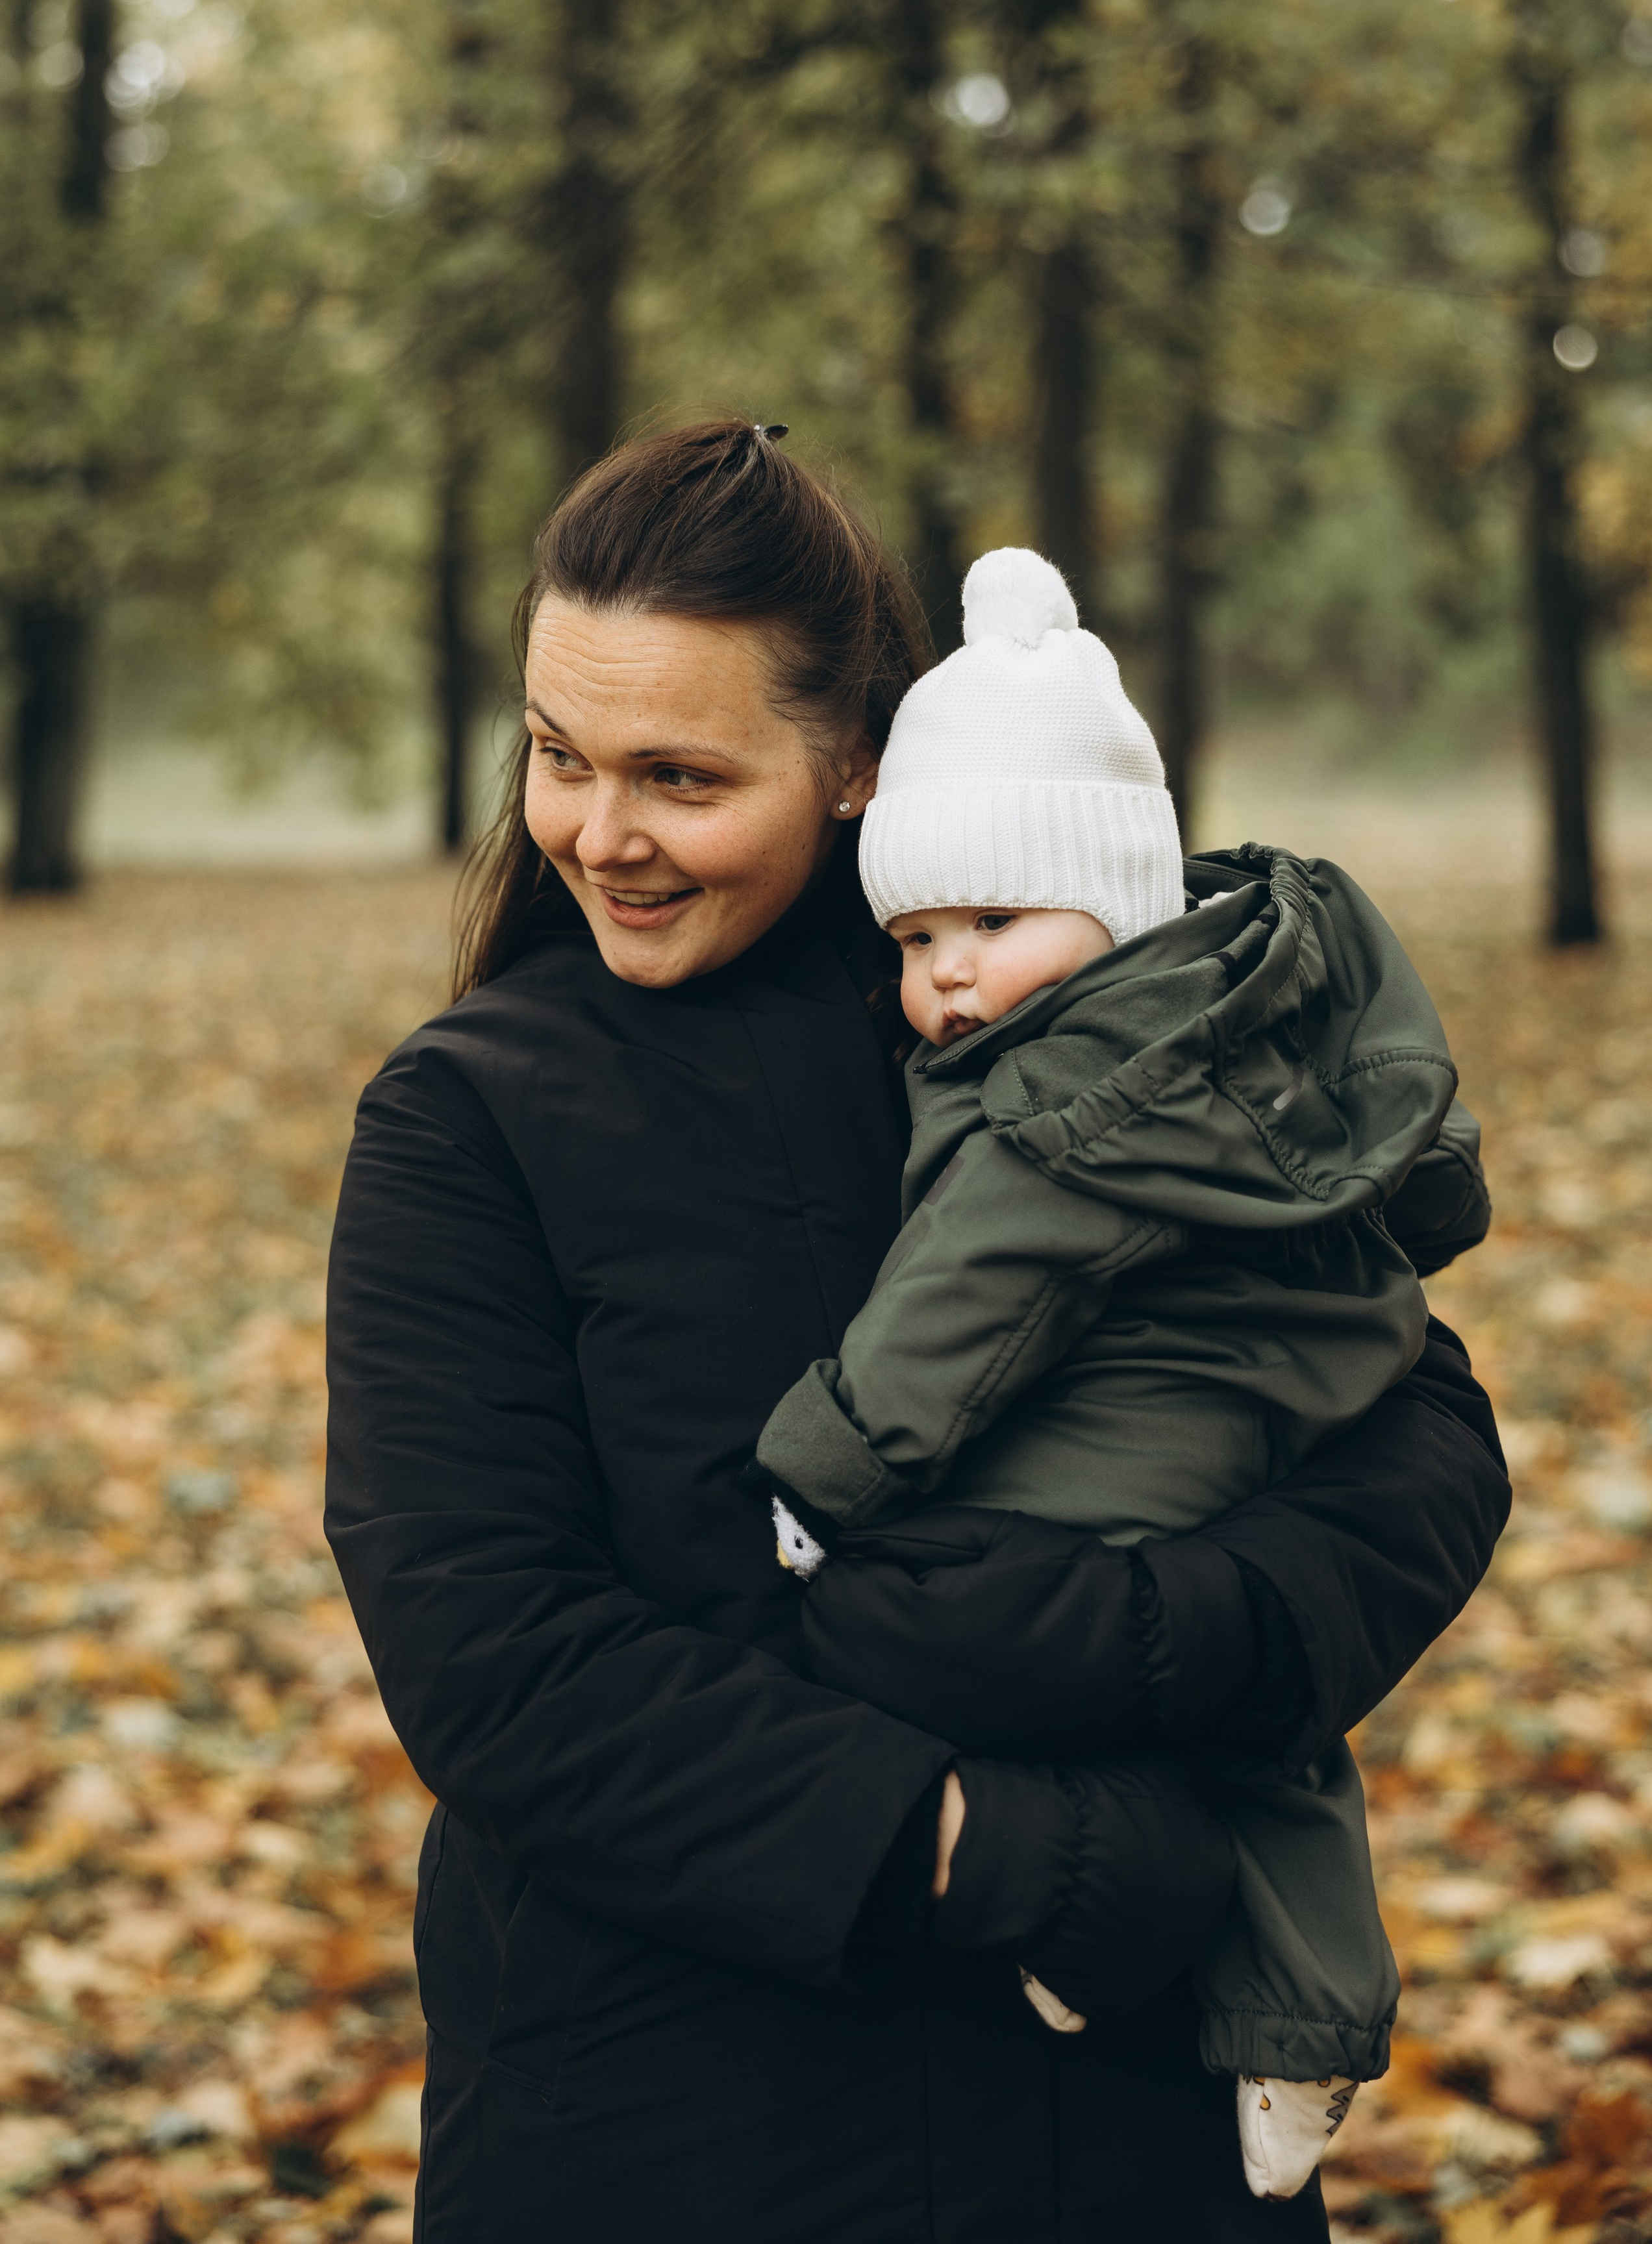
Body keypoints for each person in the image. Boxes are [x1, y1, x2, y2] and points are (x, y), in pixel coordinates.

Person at [324, 419, 1512, 2242]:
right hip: (672, 2131)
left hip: (1120, 2134)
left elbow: (1406, 1423)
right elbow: (496, 1656)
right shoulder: (477, 1116)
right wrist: (988, 1849)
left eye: (681, 778)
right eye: (559, 757)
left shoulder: (1063, 1029)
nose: (600, 833)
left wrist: (1170, 1639)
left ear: (859, 767)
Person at [749, 544, 1493, 2202]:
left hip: (1185, 1390)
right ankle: (1248, 1985)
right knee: (1247, 1695)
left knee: (1053, 1610)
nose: (944, 973)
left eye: (992, 922)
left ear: (1112, 899)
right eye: (916, 932)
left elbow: (966, 1300)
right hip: (1306, 1367)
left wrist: (823, 1469)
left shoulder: (1066, 1094)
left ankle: (1275, 1996)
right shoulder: (1216, 999)